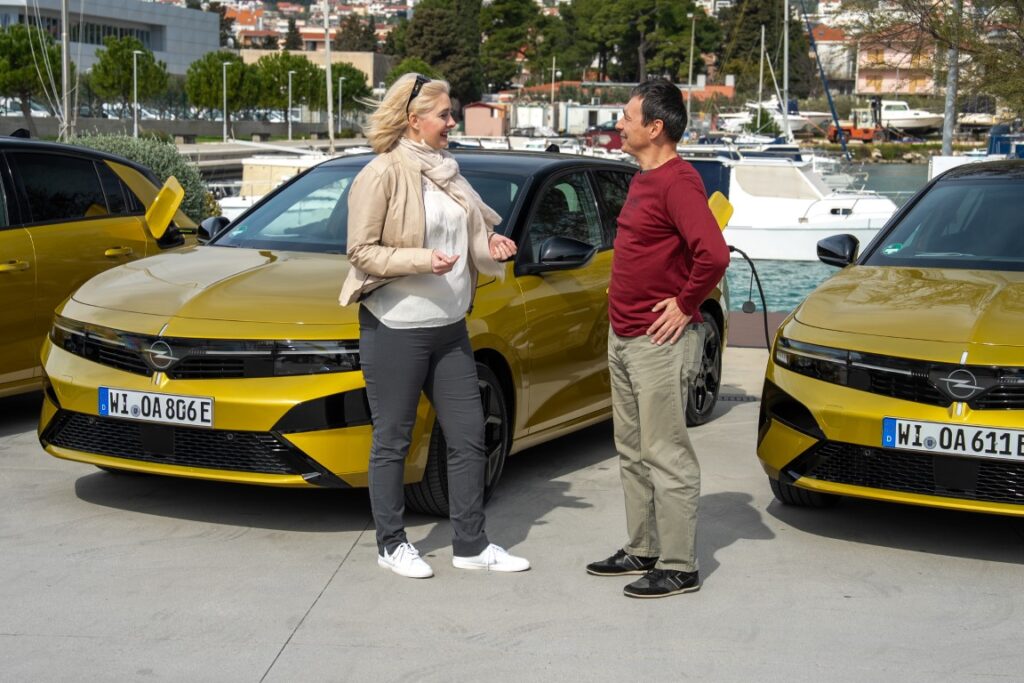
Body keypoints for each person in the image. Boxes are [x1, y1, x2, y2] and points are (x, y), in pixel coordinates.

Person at [338, 74, 529, 579]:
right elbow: (361, 252)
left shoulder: (450, 172)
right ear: (413, 119)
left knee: (468, 436)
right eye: (444, 115)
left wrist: (491, 245)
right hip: (395, 327)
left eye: (451, 114)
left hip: (449, 327)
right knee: (393, 441)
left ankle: (471, 544)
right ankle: (391, 544)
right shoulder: (381, 173)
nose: (452, 123)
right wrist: (423, 260)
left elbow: (472, 233)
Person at [586, 79, 730, 598]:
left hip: (656, 343)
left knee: (665, 451)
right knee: (631, 448)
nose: (619, 124)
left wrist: (685, 304)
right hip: (623, 335)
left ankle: (679, 565)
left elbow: (714, 254)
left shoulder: (678, 182)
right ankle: (643, 547)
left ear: (655, 127)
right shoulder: (643, 178)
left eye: (627, 117)